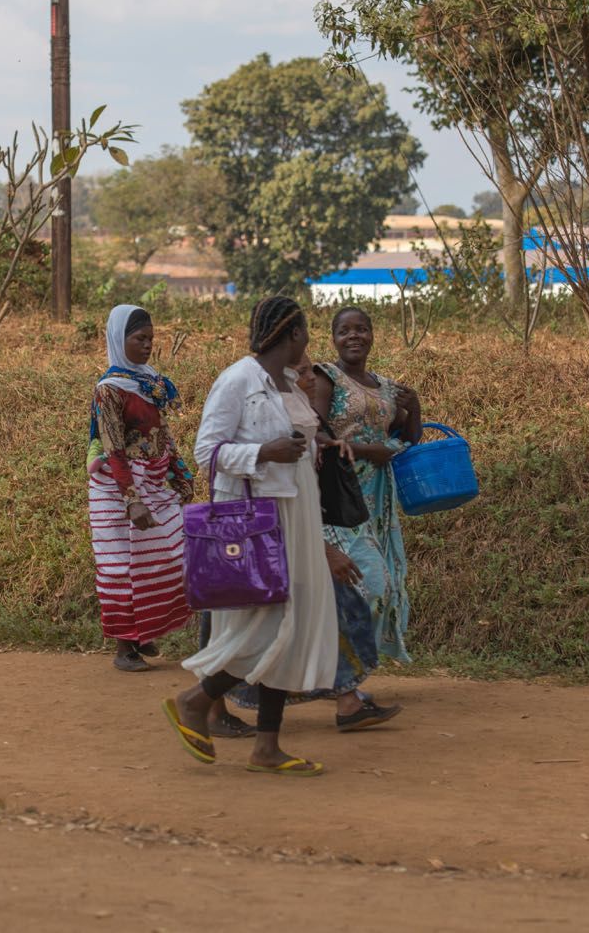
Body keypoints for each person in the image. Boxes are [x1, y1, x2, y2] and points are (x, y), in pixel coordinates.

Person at [162, 296, 339, 777]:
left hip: (296, 511)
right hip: (261, 518)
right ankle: (196, 699)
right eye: (306, 332)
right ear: (295, 334)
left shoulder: (286, 384)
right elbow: (207, 452)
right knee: (267, 625)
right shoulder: (237, 379)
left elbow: (299, 444)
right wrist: (266, 451)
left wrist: (317, 447)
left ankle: (267, 746)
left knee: (293, 620)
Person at [217, 335, 404, 732]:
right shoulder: (268, 412)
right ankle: (204, 702)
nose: (310, 378)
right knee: (255, 624)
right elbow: (263, 484)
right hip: (264, 534)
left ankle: (340, 704)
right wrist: (322, 549)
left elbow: (306, 472)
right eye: (301, 370)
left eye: (309, 370)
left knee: (303, 616)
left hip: (295, 533)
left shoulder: (298, 413)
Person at [307, 305, 422, 665]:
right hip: (339, 492)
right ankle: (341, 668)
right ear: (334, 339)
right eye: (345, 331)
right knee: (367, 581)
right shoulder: (326, 378)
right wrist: (368, 451)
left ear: (372, 335)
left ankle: (347, 668)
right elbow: (316, 436)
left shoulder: (385, 386)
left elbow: (408, 436)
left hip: (377, 497)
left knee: (375, 582)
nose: (353, 336)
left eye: (361, 329)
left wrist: (414, 406)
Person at [87, 304, 194, 672]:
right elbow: (114, 445)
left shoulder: (149, 382)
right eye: (139, 338)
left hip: (152, 478)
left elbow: (160, 432)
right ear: (120, 339)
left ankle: (144, 632)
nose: (148, 345)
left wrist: (181, 472)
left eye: (150, 338)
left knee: (165, 555)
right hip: (119, 487)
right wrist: (130, 500)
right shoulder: (110, 390)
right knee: (122, 566)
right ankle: (124, 647)